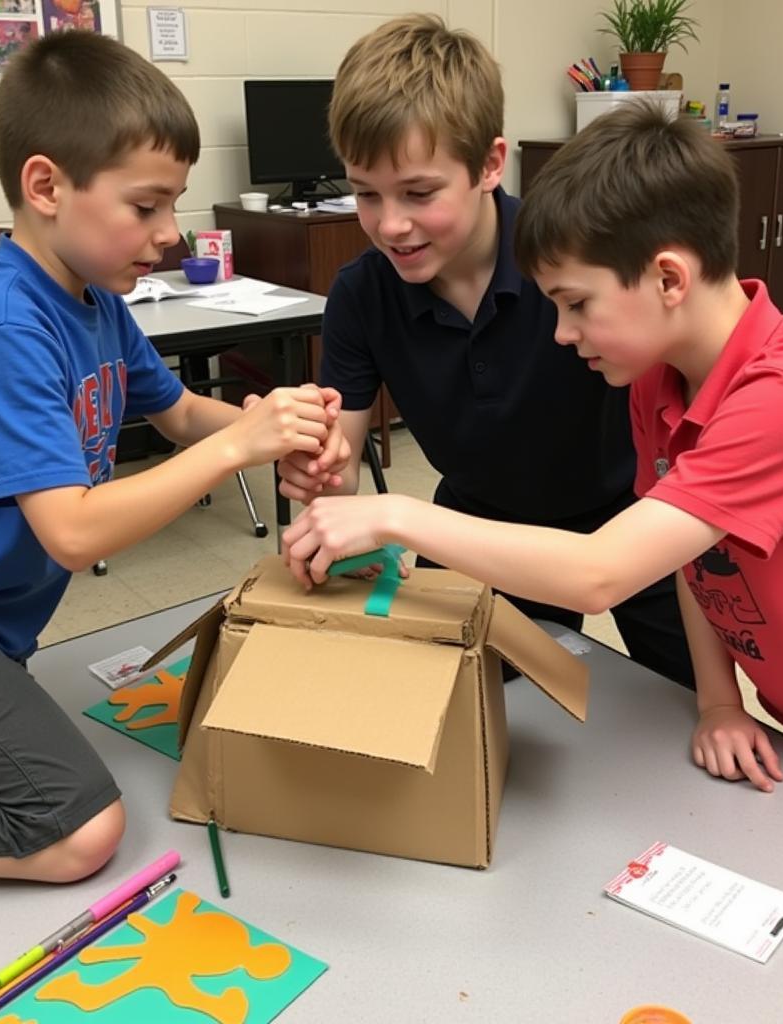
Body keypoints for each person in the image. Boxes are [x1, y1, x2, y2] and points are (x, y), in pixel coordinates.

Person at [283, 102, 783, 793]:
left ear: (668, 279)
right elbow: (697, 557)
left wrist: (394, 514)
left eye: (576, 305)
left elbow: (601, 573)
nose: (563, 334)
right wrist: (720, 703)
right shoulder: (658, 380)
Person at [0, 31, 337, 887]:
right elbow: (73, 535)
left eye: (173, 206)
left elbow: (183, 410)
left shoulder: (92, 296)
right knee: (76, 827)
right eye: (146, 206)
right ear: (46, 185)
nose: (167, 234)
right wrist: (242, 444)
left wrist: (274, 422)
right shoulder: (5, 321)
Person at [276, 14, 694, 688]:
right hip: (476, 522)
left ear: (489, 165)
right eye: (364, 194)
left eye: (419, 193)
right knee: (455, 707)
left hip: (628, 511)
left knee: (692, 704)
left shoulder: (571, 261)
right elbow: (342, 465)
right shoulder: (361, 294)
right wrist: (319, 469)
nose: (391, 225)